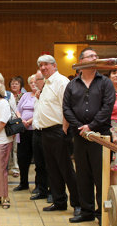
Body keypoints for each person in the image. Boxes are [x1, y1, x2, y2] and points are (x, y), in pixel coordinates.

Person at [63, 48, 115, 225]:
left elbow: (107, 107)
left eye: (96, 56)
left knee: (101, 175)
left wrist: (91, 126)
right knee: (82, 174)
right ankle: (86, 211)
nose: (95, 58)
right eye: (91, 56)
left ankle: (102, 214)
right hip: (80, 136)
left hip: (100, 136)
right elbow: (66, 108)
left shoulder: (105, 83)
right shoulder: (72, 85)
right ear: (81, 61)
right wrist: (80, 127)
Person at [34, 55, 80, 213]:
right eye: (41, 65)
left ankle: (78, 204)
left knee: (66, 169)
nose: (43, 67)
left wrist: (65, 128)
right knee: (52, 169)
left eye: (46, 64)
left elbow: (67, 107)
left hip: (59, 130)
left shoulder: (61, 82)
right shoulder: (46, 84)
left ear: (54, 65)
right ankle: (59, 201)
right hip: (45, 132)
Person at [14, 74, 37, 192]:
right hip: (23, 130)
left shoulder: (41, 95)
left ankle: (39, 185)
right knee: (22, 158)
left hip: (35, 131)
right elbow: (18, 109)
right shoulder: (26, 95)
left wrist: (29, 121)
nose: (33, 84)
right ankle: (23, 183)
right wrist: (21, 119)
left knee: (38, 159)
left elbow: (40, 111)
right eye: (31, 82)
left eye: (35, 82)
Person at [30, 70, 50, 201]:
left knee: (50, 165)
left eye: (36, 80)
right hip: (36, 132)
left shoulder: (49, 93)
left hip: (47, 131)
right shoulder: (38, 94)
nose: (34, 83)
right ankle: (42, 190)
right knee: (39, 164)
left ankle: (53, 192)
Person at [8, 76, 25, 178]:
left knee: (15, 148)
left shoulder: (24, 96)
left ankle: (16, 168)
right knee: (7, 147)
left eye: (16, 83)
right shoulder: (6, 95)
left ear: (20, 85)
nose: (14, 85)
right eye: (12, 83)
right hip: (7, 124)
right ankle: (7, 167)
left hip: (18, 124)